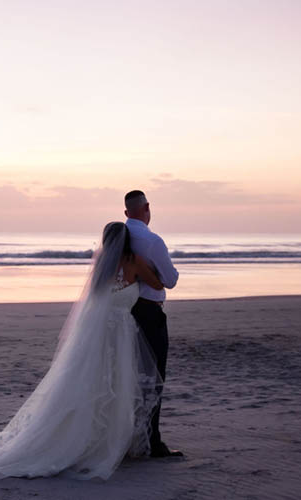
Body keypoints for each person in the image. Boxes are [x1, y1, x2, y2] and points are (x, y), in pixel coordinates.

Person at [0, 222, 166, 479]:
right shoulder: (134, 262)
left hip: (101, 335)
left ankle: (93, 439)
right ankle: (106, 443)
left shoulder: (101, 268)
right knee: (116, 387)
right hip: (121, 334)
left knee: (96, 387)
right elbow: (159, 284)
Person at [124, 190, 182, 457]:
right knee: (154, 377)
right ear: (147, 207)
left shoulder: (117, 238)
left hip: (122, 314)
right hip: (148, 313)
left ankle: (126, 438)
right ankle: (151, 441)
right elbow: (169, 280)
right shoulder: (151, 240)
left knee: (125, 377)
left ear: (126, 213)